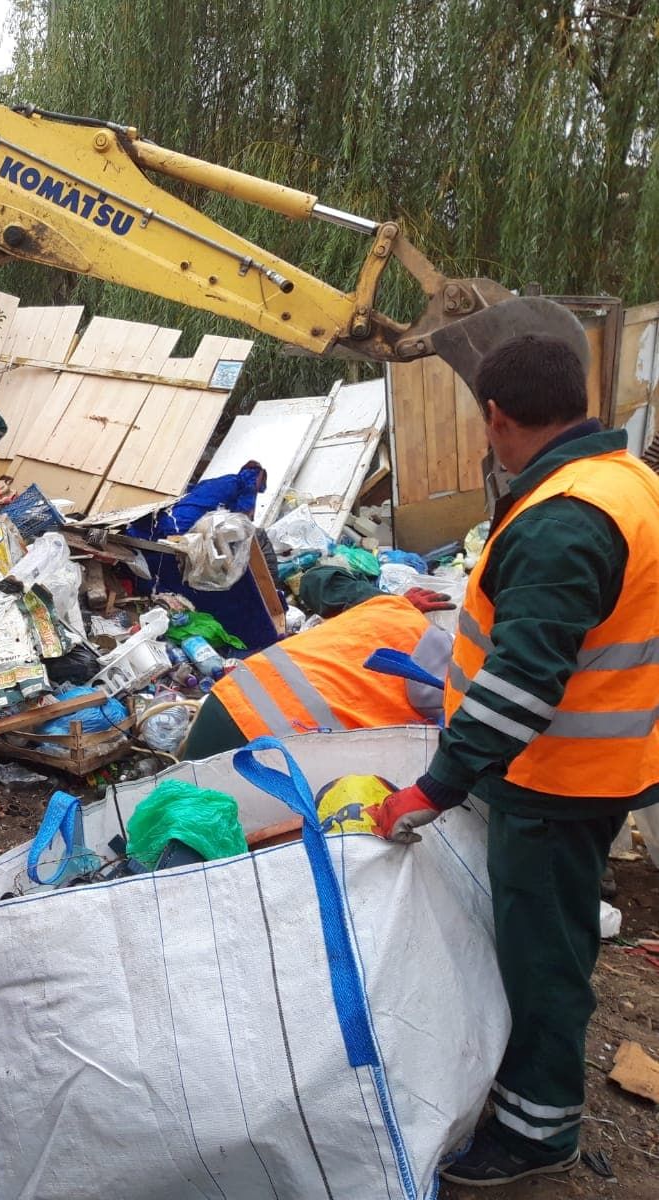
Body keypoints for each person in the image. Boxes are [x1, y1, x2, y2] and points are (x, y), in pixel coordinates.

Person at [363, 334, 659, 1186]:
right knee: (548, 941)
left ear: (495, 417)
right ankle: (531, 1096)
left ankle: (535, 1134)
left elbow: (523, 682)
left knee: (540, 961)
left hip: (553, 782)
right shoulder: (627, 481)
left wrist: (434, 785)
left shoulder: (565, 520)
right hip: (595, 767)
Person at [180, 566, 456, 759]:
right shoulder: (457, 683)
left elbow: (316, 579)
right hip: (280, 743)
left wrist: (385, 599)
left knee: (179, 806)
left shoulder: (391, 607)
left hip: (228, 700)